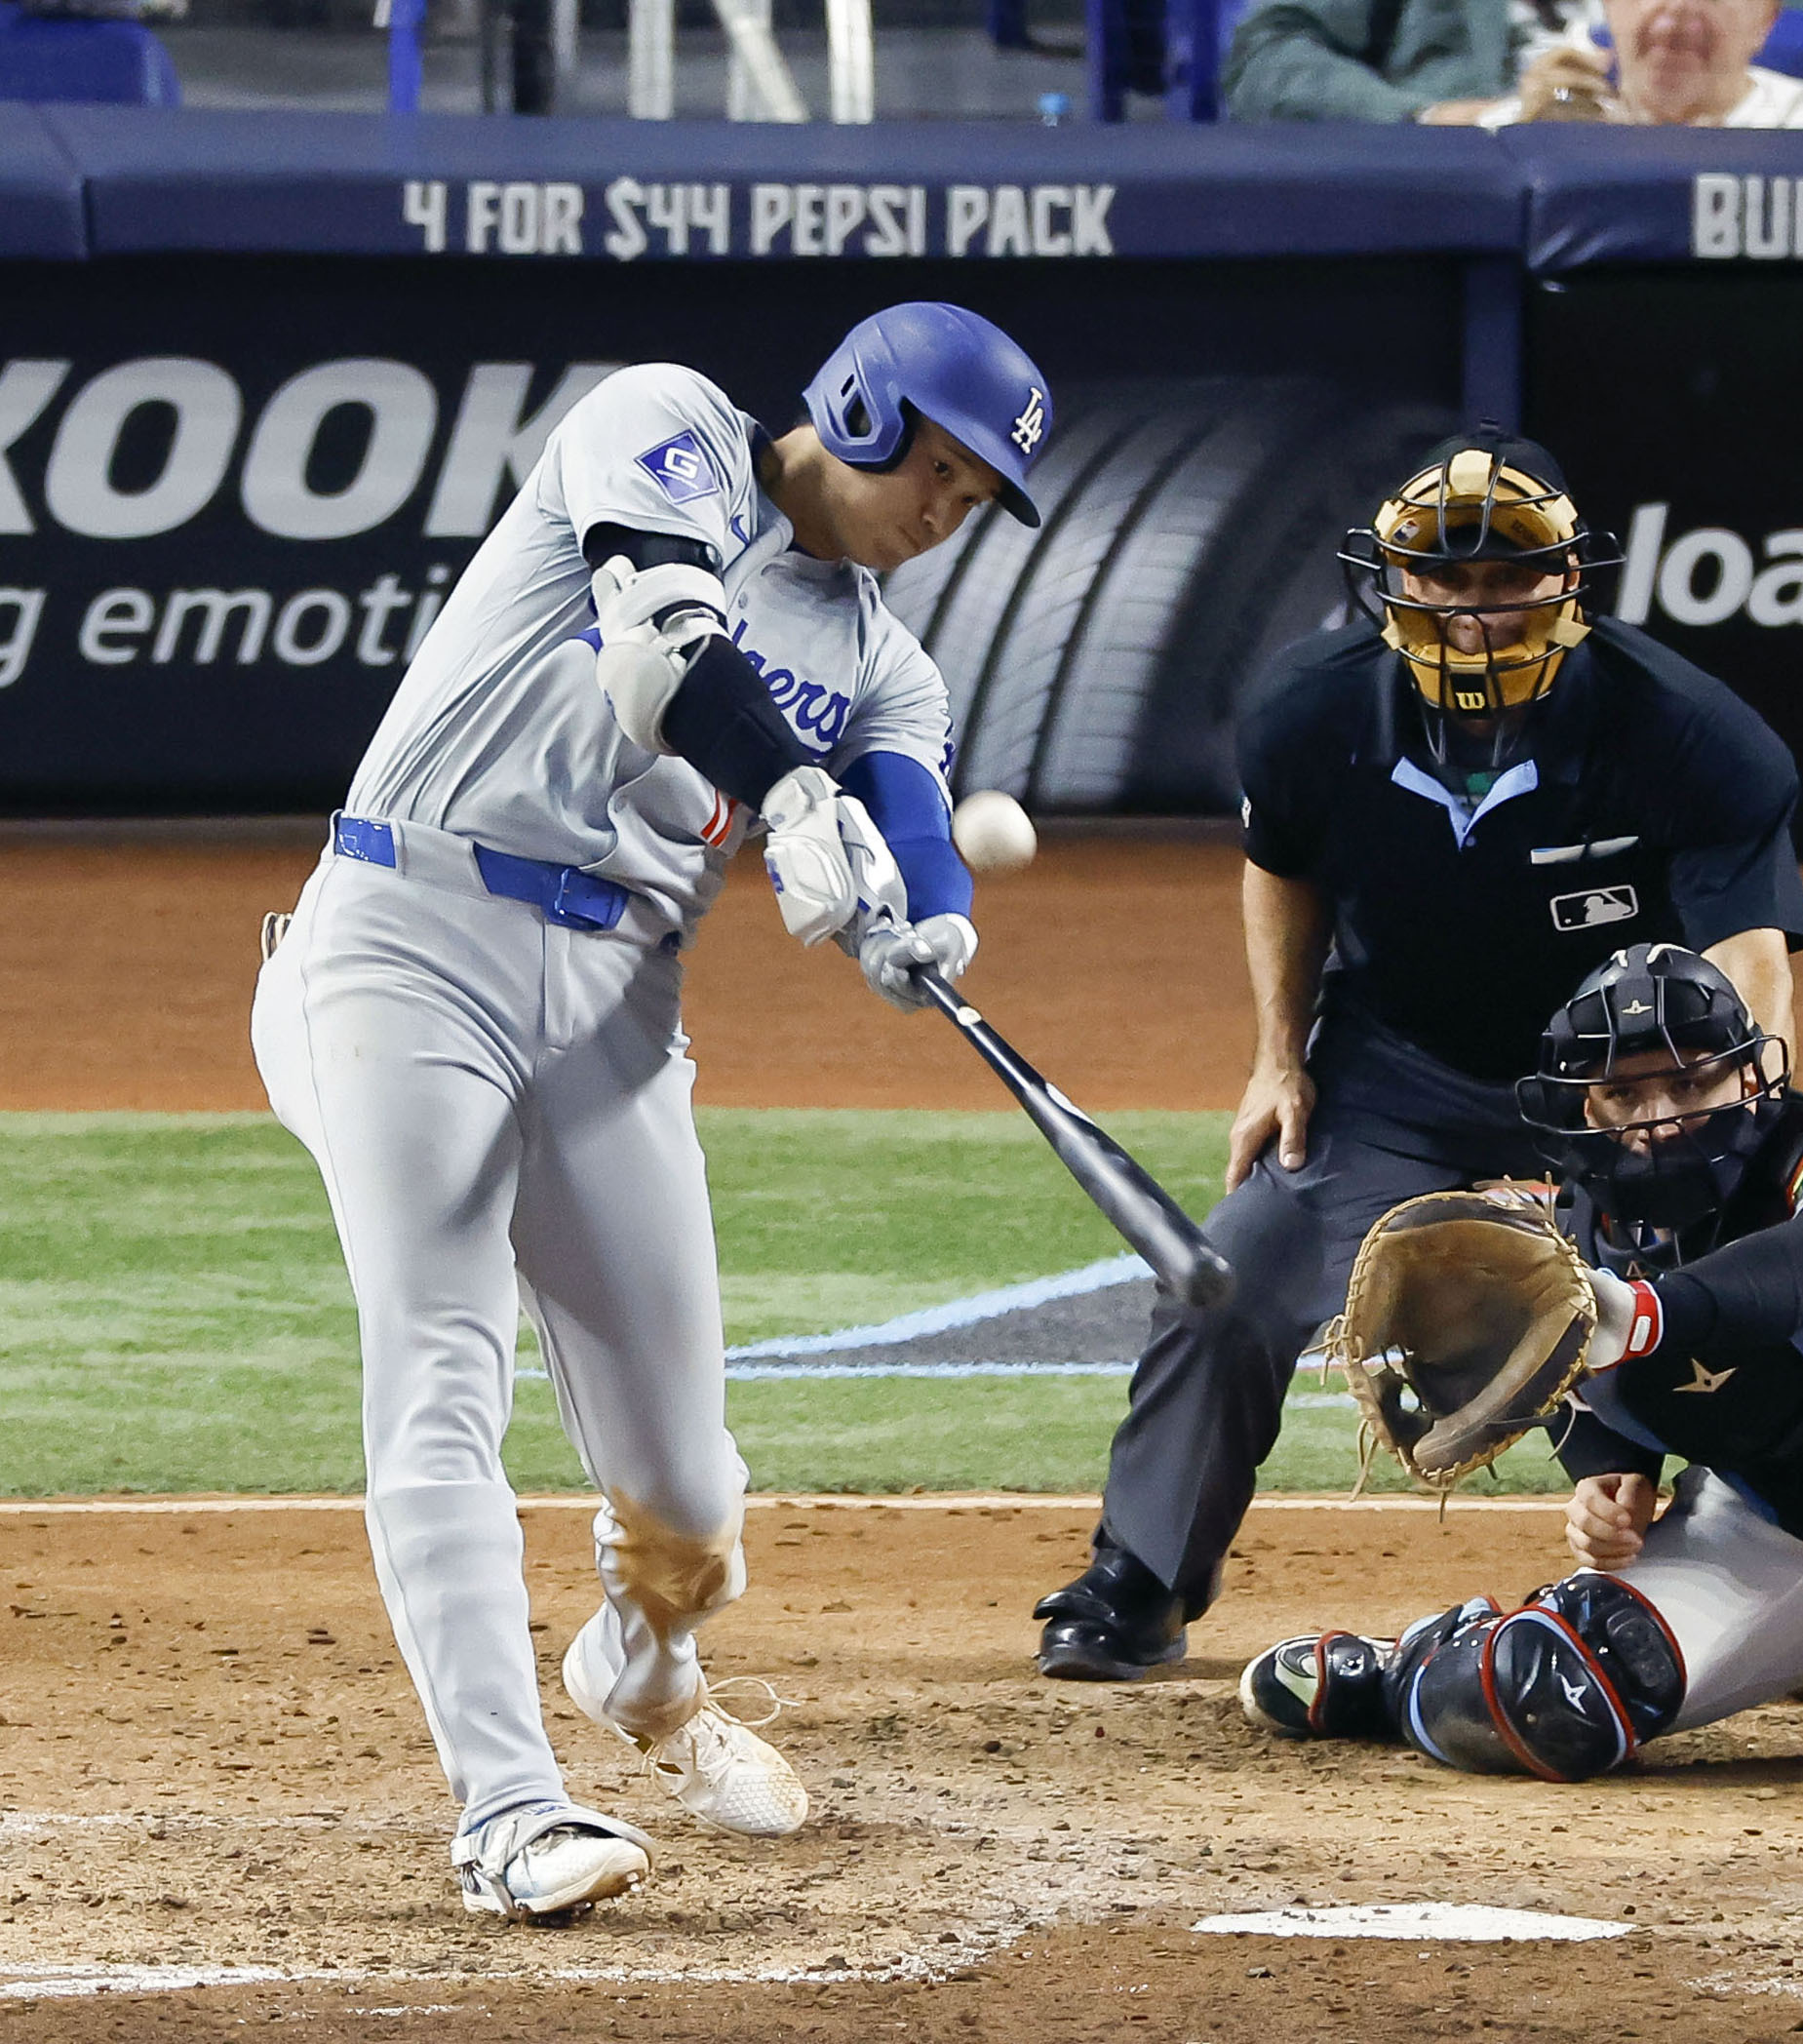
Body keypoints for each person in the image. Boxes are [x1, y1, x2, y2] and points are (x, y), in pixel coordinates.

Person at [252, 302, 1053, 1919]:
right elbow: (660, 644)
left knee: (686, 1494)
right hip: (409, 939)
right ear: (866, 409)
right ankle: (506, 1807)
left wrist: (918, 923)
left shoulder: (884, 661)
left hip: (617, 1003)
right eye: (944, 473)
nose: (943, 512)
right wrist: (795, 794)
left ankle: (644, 1672)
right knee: (436, 1357)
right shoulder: (665, 422)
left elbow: (911, 808)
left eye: (976, 500)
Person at [1033, 424, 1803, 1683]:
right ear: (1388, 581)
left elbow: (1748, 953)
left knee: (1722, 1295)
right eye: (1441, 577)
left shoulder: (1687, 732)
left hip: (1631, 1091)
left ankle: (1732, 1526)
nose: (1474, 608)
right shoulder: (1309, 709)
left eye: (1507, 576)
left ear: (1568, 578)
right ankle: (1142, 1577)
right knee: (1231, 1277)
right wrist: (1278, 1060)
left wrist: (1736, 1132)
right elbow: (1279, 874)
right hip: (1404, 1065)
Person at [1240, 944, 1803, 1781]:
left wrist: (1649, 1314)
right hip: (1775, 1528)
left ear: (1747, 1076)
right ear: (1583, 1110)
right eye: (1622, 1093)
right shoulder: (1590, 1225)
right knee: (1538, 1694)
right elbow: (1584, 1362)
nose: (1658, 1117)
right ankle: (1414, 1666)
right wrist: (1609, 1467)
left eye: (1689, 1083)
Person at [1479, 0, 1803, 126]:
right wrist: (1539, 146)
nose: (1678, 7)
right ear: (1607, 7)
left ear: (1765, 22)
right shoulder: (1524, 124)